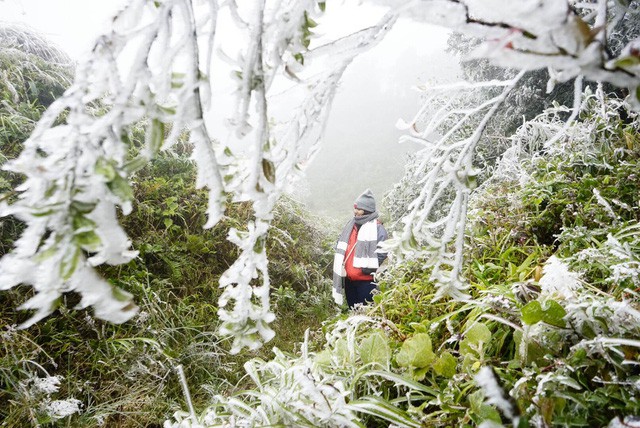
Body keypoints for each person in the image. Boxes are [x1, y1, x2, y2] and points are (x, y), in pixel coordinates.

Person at [332, 189, 388, 309]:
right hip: (349, 280)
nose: (355, 211)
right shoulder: (350, 226)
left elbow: (383, 250)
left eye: (358, 209)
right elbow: (341, 244)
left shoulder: (377, 229)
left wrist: (369, 268)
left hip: (366, 282)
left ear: (367, 210)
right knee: (353, 311)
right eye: (355, 208)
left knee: (367, 313)